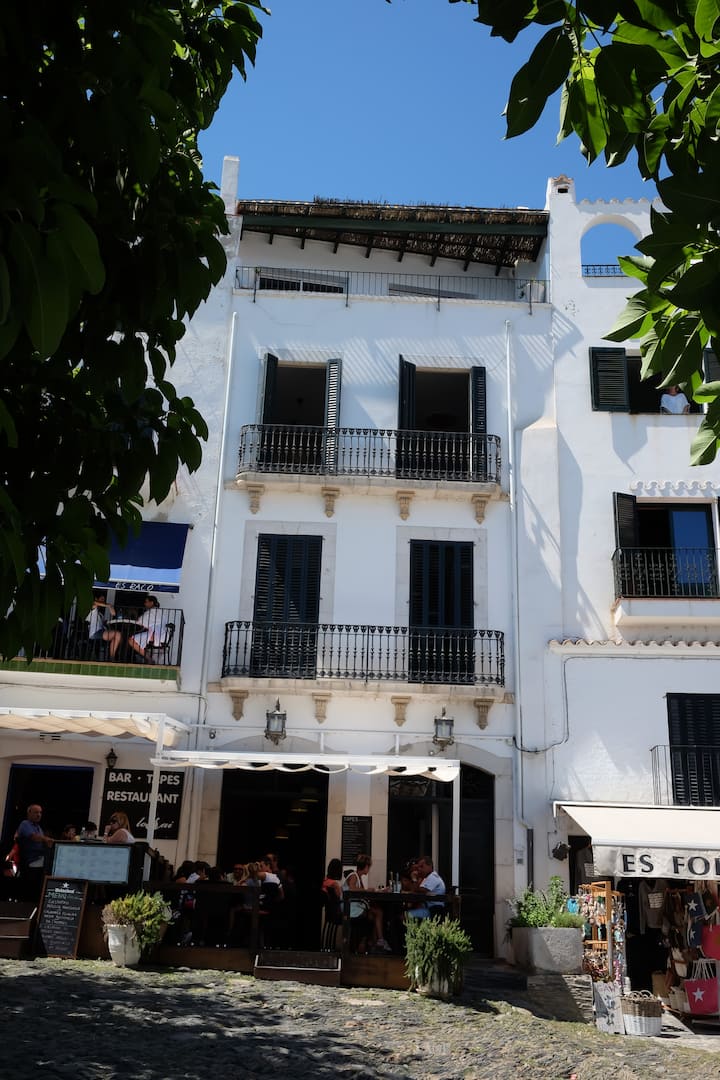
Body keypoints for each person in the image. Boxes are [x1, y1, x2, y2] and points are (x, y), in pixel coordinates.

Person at [343, 854, 391, 952]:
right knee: (378, 912)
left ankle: (371, 943)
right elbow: (352, 889)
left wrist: (375, 891)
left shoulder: (358, 876)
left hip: (354, 906)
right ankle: (377, 941)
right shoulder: (353, 876)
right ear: (366, 866)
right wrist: (366, 890)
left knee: (374, 916)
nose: (369, 869)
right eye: (369, 867)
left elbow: (360, 892)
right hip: (351, 909)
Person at [16, 804, 54, 898]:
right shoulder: (25, 824)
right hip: (30, 861)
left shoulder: (38, 827)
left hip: (39, 859)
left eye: (40, 812)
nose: (39, 815)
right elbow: (33, 837)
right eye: (36, 812)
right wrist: (46, 839)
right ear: (29, 813)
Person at [406, 855, 446, 919]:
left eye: (422, 866)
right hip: (428, 908)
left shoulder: (433, 877)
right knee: (405, 913)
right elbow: (416, 891)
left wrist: (414, 879)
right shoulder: (427, 878)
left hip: (434, 911)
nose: (419, 869)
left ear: (430, 866)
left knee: (404, 916)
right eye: (418, 867)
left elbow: (419, 891)